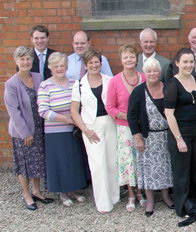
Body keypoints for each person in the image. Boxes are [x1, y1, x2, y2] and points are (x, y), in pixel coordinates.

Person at [164, 48, 196, 224]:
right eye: (185, 61)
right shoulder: (172, 84)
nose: (189, 65)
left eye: (191, 61)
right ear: (177, 63)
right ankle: (183, 205)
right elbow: (169, 114)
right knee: (182, 171)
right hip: (181, 133)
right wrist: (179, 139)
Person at [5, 46, 54, 210]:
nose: (25, 62)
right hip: (22, 131)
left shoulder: (38, 77)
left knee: (37, 160)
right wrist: (25, 133)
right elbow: (13, 112)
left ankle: (37, 191)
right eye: (22, 59)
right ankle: (26, 194)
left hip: (39, 127)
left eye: (28, 59)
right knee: (24, 163)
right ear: (16, 61)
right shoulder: (11, 84)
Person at [71, 49, 119, 214]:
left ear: (101, 63)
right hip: (91, 127)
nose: (94, 65)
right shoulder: (78, 84)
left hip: (111, 123)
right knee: (98, 165)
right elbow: (74, 111)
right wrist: (85, 130)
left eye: (96, 62)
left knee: (112, 162)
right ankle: (103, 202)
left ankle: (114, 197)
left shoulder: (110, 80)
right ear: (85, 65)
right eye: (90, 62)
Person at [37, 52, 87, 207]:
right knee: (60, 162)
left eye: (62, 65)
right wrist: (66, 119)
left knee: (72, 160)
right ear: (50, 67)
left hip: (73, 130)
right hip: (55, 132)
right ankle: (63, 193)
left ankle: (73, 190)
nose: (59, 68)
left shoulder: (74, 83)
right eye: (56, 66)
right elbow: (43, 111)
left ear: (67, 66)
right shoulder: (45, 85)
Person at [127, 57, 174, 217]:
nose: (152, 73)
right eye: (149, 71)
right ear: (144, 73)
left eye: (155, 71)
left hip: (166, 136)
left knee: (166, 168)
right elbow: (131, 115)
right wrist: (137, 137)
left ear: (160, 72)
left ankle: (166, 197)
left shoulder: (168, 87)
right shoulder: (139, 91)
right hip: (148, 137)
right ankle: (150, 200)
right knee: (148, 169)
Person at [105, 44, 147, 212]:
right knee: (128, 161)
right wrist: (126, 116)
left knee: (141, 159)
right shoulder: (114, 81)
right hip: (124, 128)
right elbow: (110, 107)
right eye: (125, 57)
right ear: (121, 60)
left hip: (143, 127)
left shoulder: (144, 78)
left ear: (136, 59)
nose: (129, 60)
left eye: (131, 56)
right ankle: (131, 193)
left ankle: (141, 192)